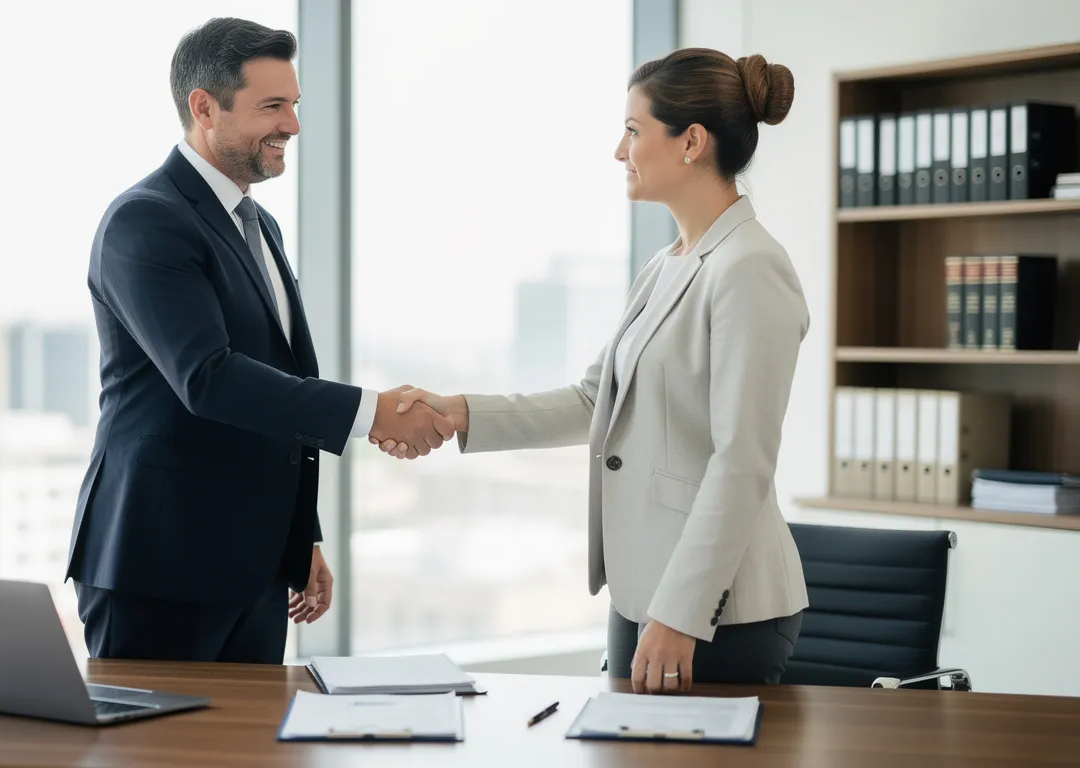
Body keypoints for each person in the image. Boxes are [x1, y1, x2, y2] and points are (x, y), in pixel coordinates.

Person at [373, 48, 809, 693]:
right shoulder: (667, 265)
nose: (618, 151)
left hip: (715, 607)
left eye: (633, 132)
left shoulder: (749, 267)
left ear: (690, 141)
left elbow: (742, 461)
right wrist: (455, 412)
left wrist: (679, 613)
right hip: (642, 591)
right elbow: (591, 399)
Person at [64, 17, 454, 664]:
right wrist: (372, 412)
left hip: (255, 567)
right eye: (272, 106)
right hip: (160, 565)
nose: (292, 126)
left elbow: (274, 379)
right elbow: (209, 378)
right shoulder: (146, 222)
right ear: (204, 108)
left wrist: (303, 538)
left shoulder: (257, 224)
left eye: (294, 105)